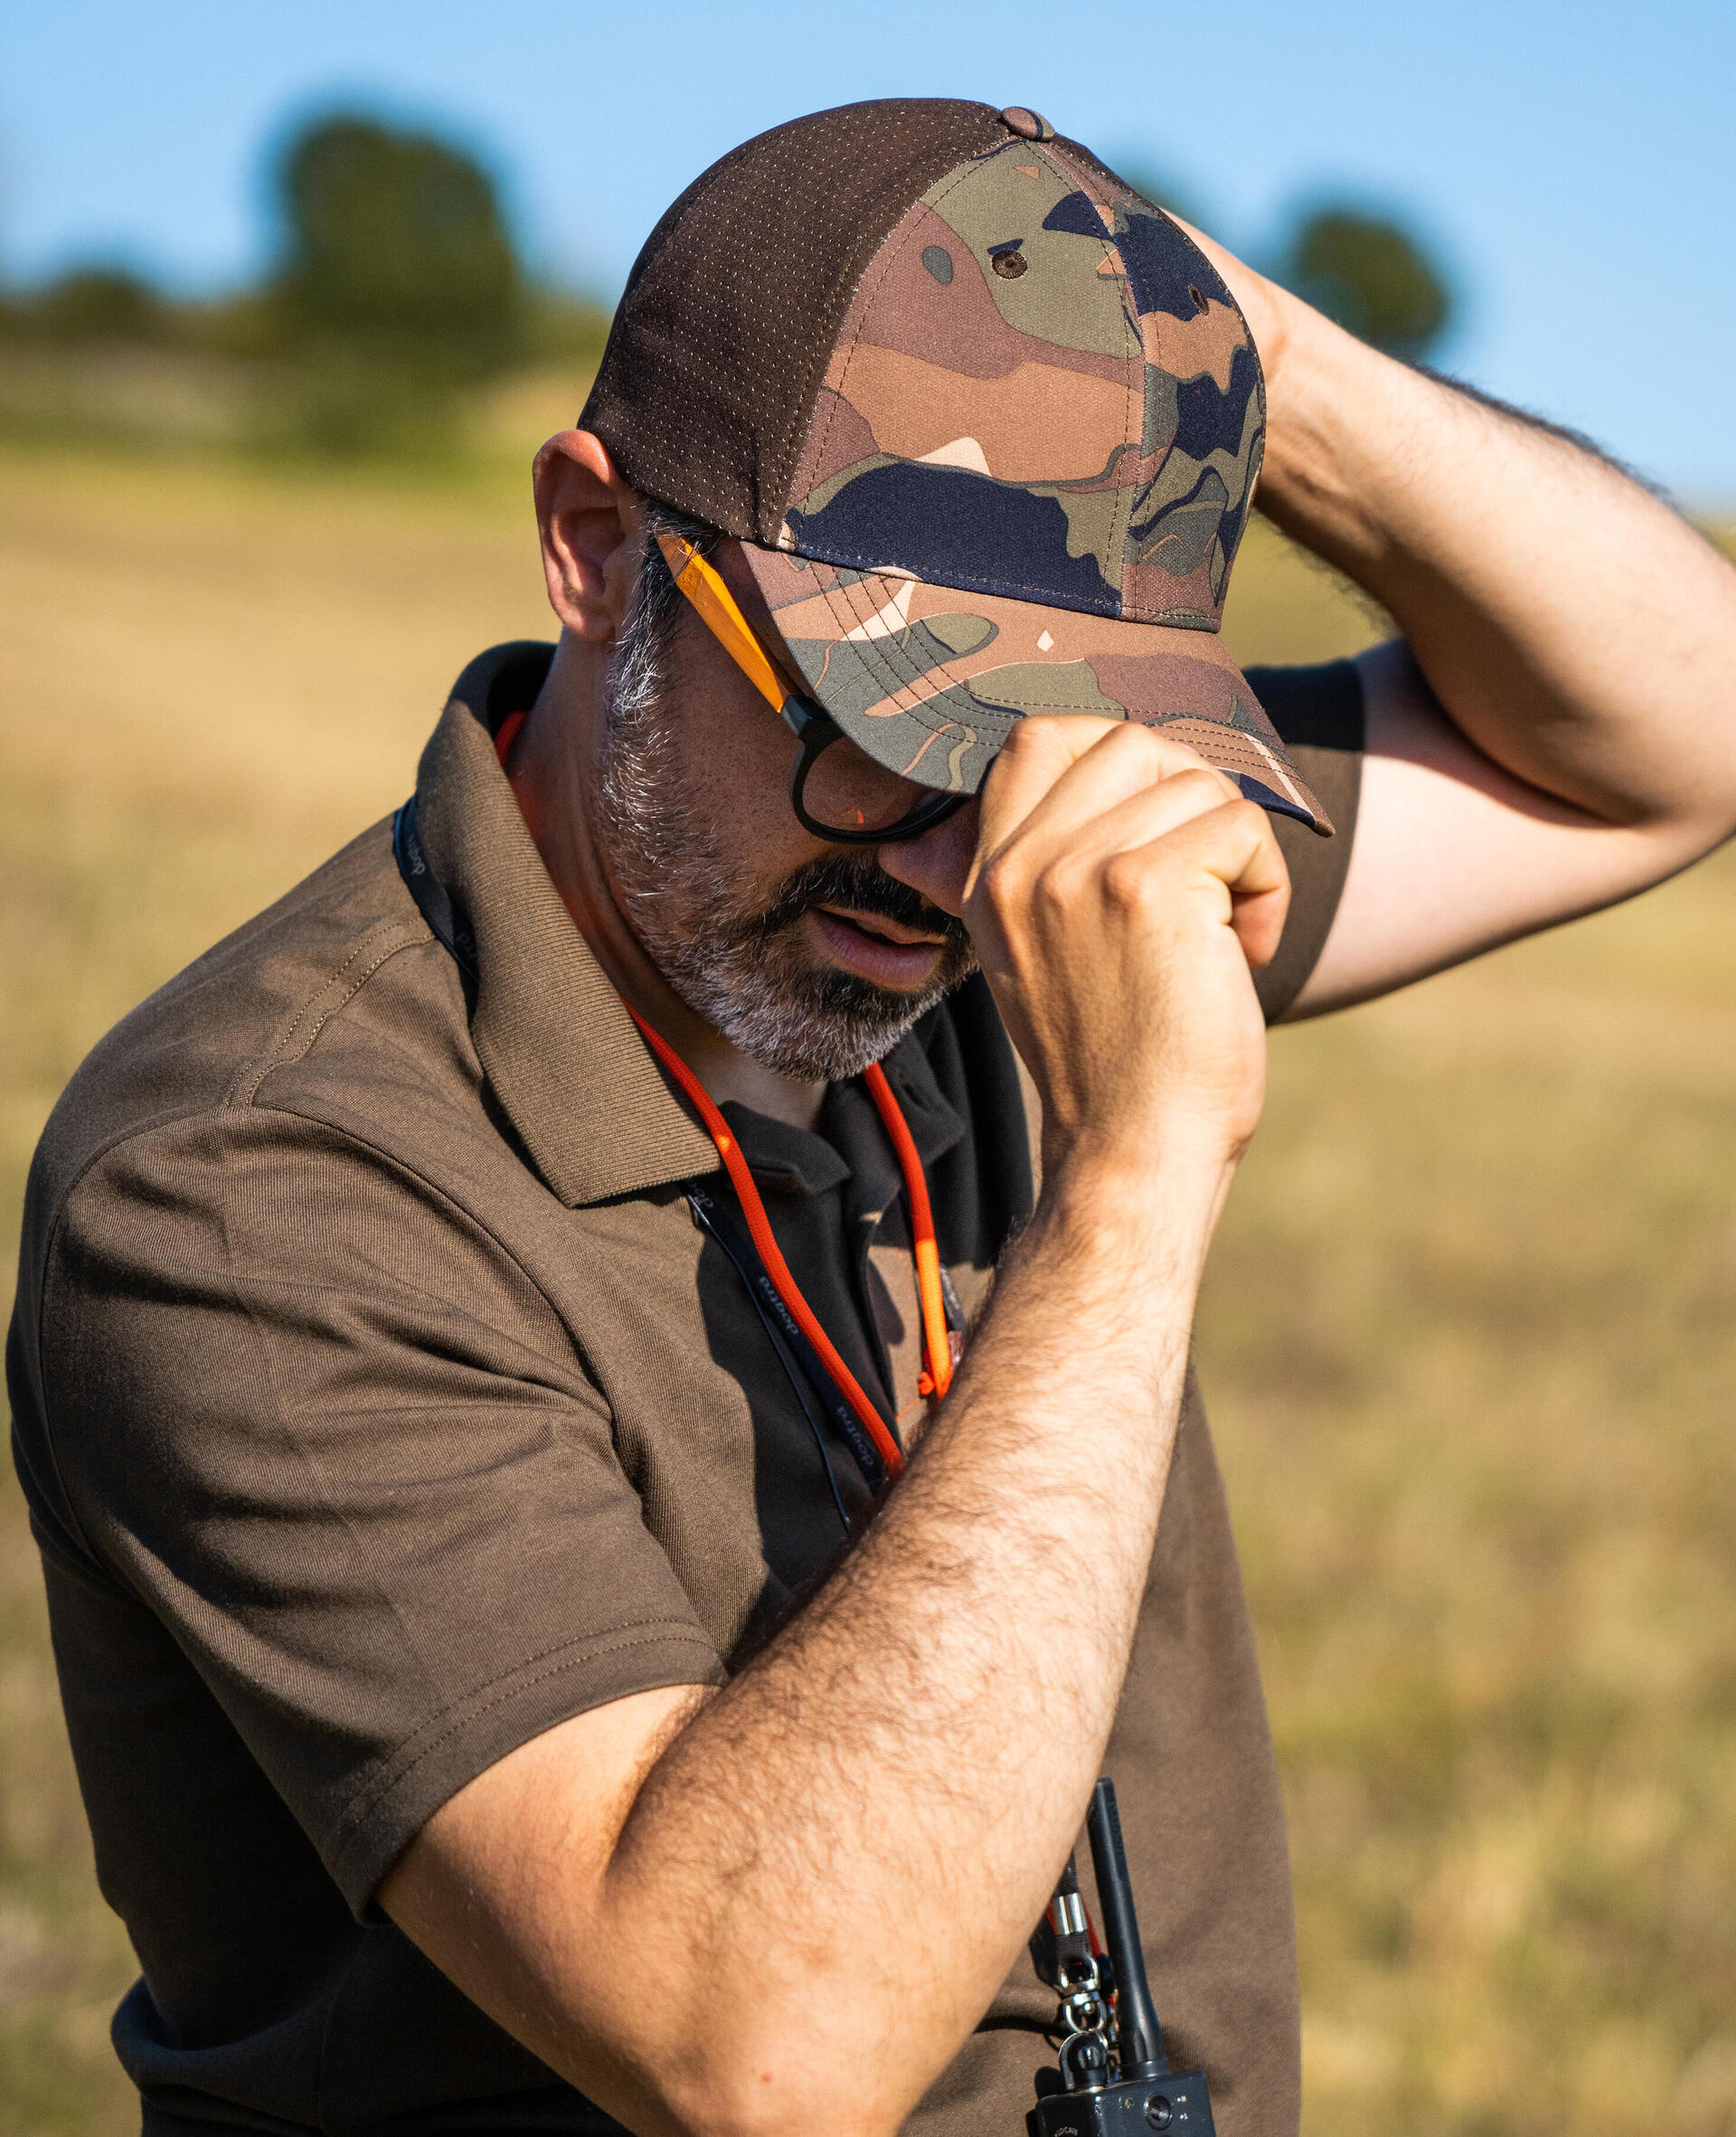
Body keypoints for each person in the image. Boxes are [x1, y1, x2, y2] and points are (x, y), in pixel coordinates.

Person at [9, 98, 1736, 2137]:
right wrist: (1130, 1184)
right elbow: (760, 2049)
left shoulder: (994, 888)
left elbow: (1668, 737)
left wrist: (1228, 351)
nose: (947, 864)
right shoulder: (247, 1184)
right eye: (882, 726)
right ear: (592, 545)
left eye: (1065, 744)